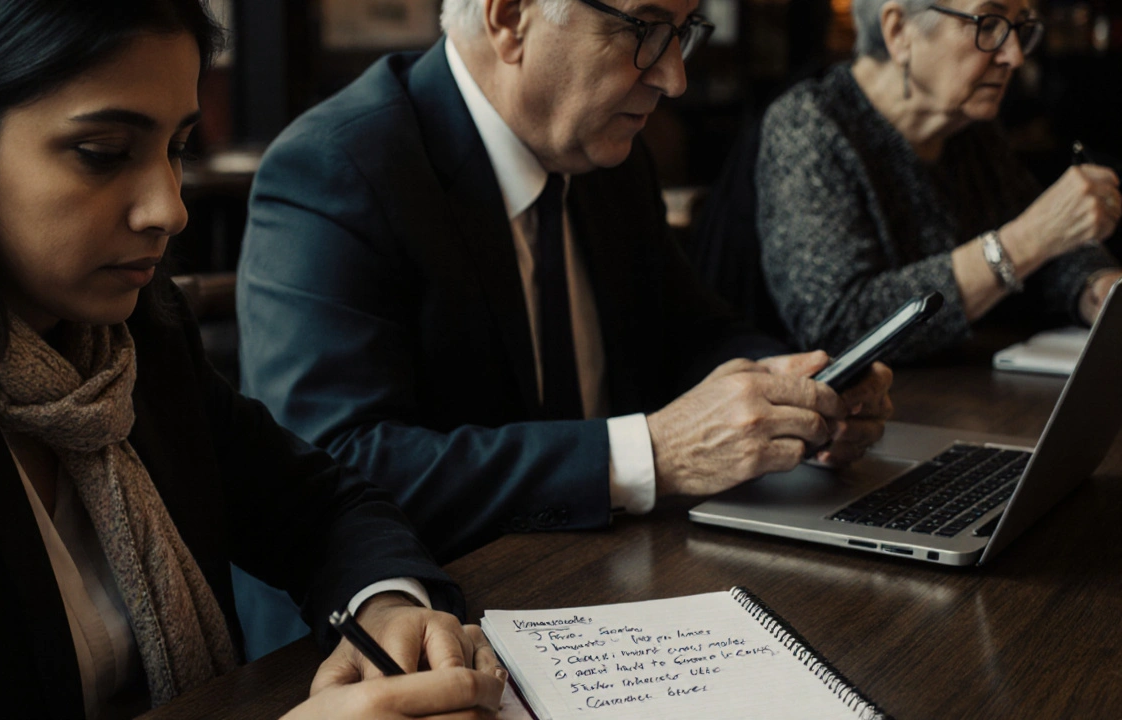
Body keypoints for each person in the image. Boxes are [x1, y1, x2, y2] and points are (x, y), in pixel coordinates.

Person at [0, 1, 505, 718]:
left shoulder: (132, 339)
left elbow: (323, 508)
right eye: (103, 152)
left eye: (178, 148)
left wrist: (385, 610)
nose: (168, 208)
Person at [236, 0, 895, 563]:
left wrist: (793, 393)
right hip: (401, 625)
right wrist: (652, 454)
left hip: (602, 570)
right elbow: (336, 466)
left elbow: (690, 333)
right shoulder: (337, 166)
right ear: (510, 17)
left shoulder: (600, 149)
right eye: (643, 28)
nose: (674, 76)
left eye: (684, 29)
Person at [756, 0, 1122, 361]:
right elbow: (837, 326)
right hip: (864, 413)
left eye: (1018, 29)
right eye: (988, 23)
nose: (1014, 56)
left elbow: (1053, 251)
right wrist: (1025, 240)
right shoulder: (809, 124)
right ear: (899, 31)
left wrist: (1100, 291)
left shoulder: (971, 130)